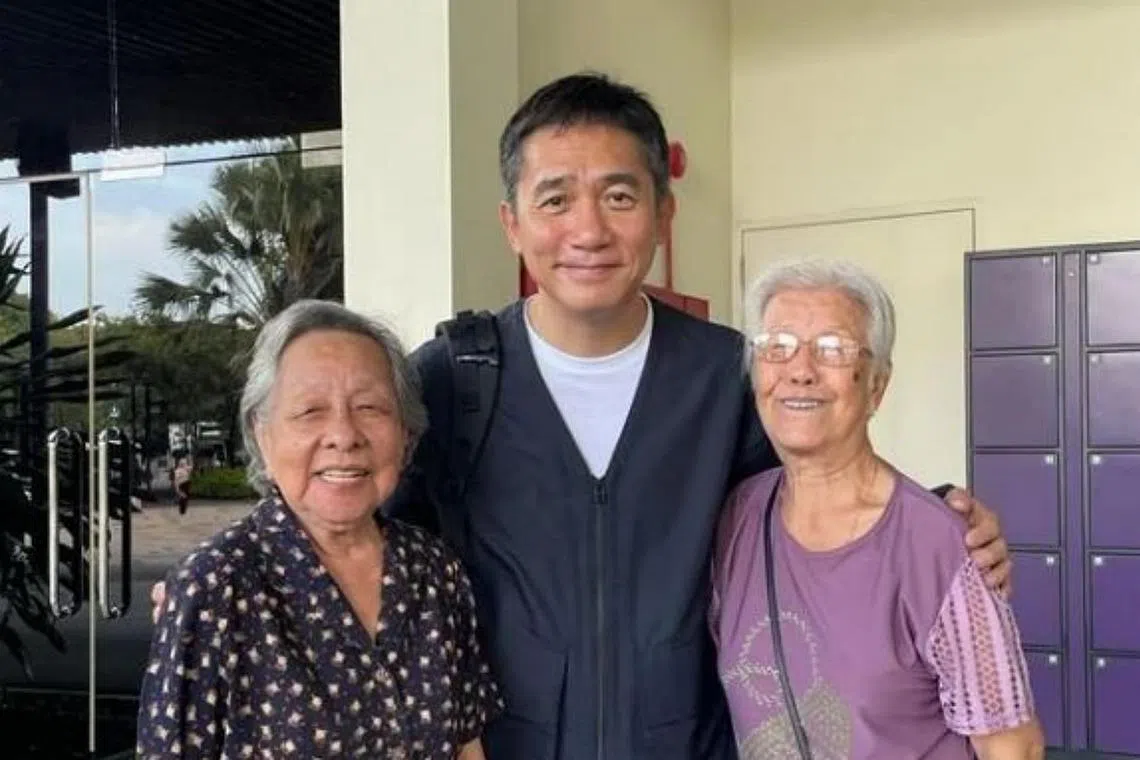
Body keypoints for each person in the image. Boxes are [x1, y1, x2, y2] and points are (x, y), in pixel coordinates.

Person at [150, 72, 1013, 759]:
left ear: (664, 214)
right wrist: (214, 592)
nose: (588, 229)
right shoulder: (453, 379)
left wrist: (938, 524)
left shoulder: (725, 375)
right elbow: (348, 521)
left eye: (620, 196)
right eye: (556, 199)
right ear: (512, 223)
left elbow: (815, 512)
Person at [136, 300, 502, 759]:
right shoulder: (215, 588)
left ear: (406, 434)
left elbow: (466, 745)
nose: (344, 435)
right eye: (310, 410)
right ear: (262, 435)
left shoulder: (434, 572)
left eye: (370, 407)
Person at [710, 260, 1044, 759]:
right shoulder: (738, 516)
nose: (800, 370)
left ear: (876, 386)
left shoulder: (938, 543)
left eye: (833, 349)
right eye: (777, 347)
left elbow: (1014, 747)